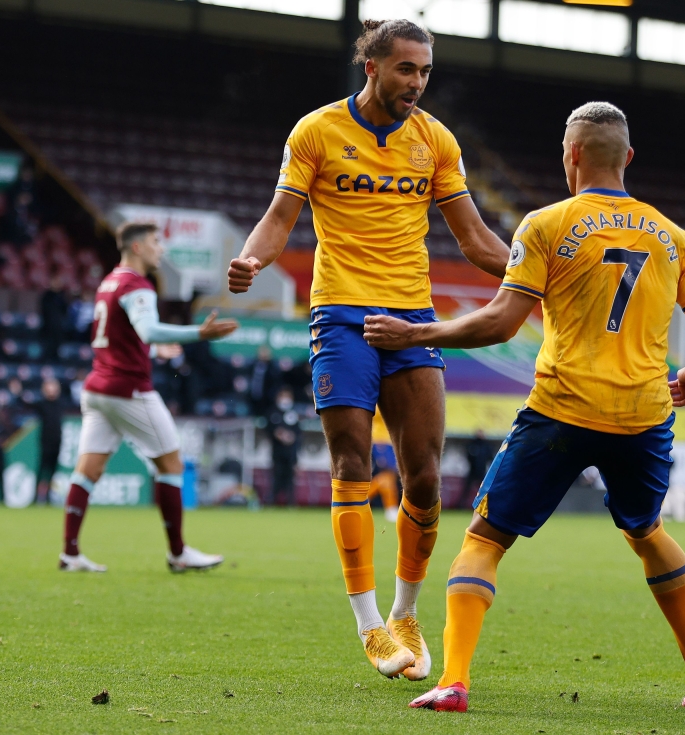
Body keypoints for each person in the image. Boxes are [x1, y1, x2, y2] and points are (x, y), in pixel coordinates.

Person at [365, 102, 685, 712]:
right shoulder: (674, 237)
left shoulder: (546, 224)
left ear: (571, 156)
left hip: (563, 410)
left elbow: (501, 324)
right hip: (643, 415)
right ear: (629, 158)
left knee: (484, 539)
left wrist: (416, 334)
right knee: (647, 531)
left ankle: (454, 681)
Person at [227, 18, 509, 680]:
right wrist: (251, 258)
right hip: (341, 313)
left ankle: (407, 612)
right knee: (351, 458)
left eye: (425, 71)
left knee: (426, 476)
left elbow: (472, 236)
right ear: (373, 67)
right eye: (406, 69)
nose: (416, 82)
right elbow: (280, 217)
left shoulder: (435, 140)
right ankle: (370, 624)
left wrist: (535, 272)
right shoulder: (317, 131)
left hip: (411, 316)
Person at [60, 222, 238, 573]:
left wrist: (153, 350)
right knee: (171, 465)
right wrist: (198, 332)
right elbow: (147, 328)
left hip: (97, 388)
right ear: (138, 247)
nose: (162, 249)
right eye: (157, 242)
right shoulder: (136, 284)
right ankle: (178, 553)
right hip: (127, 390)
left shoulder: (109, 281)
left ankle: (70, 553)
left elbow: (123, 337)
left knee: (87, 471)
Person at [267, 386, 300, 506]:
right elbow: (271, 430)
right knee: (276, 477)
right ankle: (271, 501)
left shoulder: (293, 413)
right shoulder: (273, 412)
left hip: (291, 452)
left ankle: (291, 503)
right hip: (278, 452)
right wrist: (280, 435)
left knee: (290, 479)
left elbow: (298, 434)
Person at [35, 377, 65, 504]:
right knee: (42, 470)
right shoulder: (42, 405)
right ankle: (36, 496)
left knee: (53, 470)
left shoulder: (61, 404)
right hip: (45, 442)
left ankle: (48, 496)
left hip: (57, 442)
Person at [368, 409, 400, 522]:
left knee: (391, 474)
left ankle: (360, 500)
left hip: (391, 441)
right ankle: (390, 508)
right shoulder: (376, 396)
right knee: (388, 473)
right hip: (380, 440)